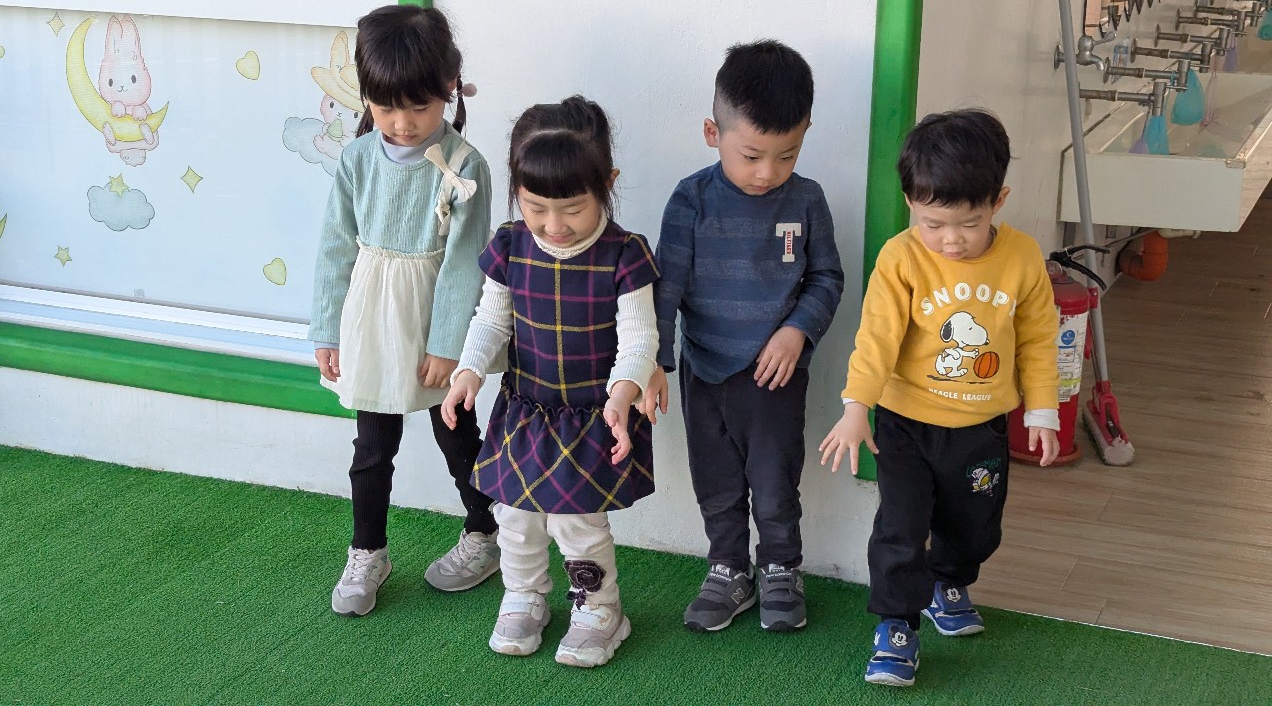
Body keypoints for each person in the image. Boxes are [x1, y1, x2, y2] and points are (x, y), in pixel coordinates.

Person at [818, 109, 1061, 687]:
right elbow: (876, 338)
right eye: (933, 223)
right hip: (906, 424)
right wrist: (856, 407)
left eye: (969, 224)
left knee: (975, 526)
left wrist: (1043, 409)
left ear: (997, 201)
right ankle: (896, 624)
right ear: (910, 203)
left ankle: (947, 581)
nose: (951, 240)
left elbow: (1038, 337)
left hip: (982, 426)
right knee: (900, 527)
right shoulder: (901, 258)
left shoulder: (1023, 257)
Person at [442, 96, 660, 668]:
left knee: (576, 521)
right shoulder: (511, 245)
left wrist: (623, 395)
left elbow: (640, 340)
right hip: (526, 411)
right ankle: (524, 595)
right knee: (514, 515)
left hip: (593, 415)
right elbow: (491, 320)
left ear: (607, 184)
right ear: (518, 190)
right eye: (536, 207)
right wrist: (468, 370)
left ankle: (599, 608)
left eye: (573, 209)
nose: (555, 226)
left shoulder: (625, 255)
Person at [308, 4, 499, 617]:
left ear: (449, 88)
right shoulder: (357, 159)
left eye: (418, 106)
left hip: (435, 320)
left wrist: (448, 345)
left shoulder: (466, 167)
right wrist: (327, 328)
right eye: (386, 107)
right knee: (372, 445)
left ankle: (485, 532)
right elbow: (335, 248)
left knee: (456, 433)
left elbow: (466, 263)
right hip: (372, 319)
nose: (402, 122)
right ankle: (368, 550)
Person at [653, 40, 845, 633]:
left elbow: (827, 278)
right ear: (713, 133)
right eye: (752, 155)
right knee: (715, 480)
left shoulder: (806, 200)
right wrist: (655, 362)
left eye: (787, 155)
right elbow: (665, 288)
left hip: (775, 377)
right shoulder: (690, 199)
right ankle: (728, 569)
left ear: (806, 133)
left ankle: (781, 568)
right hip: (705, 371)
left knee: (775, 481)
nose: (768, 172)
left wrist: (796, 331)